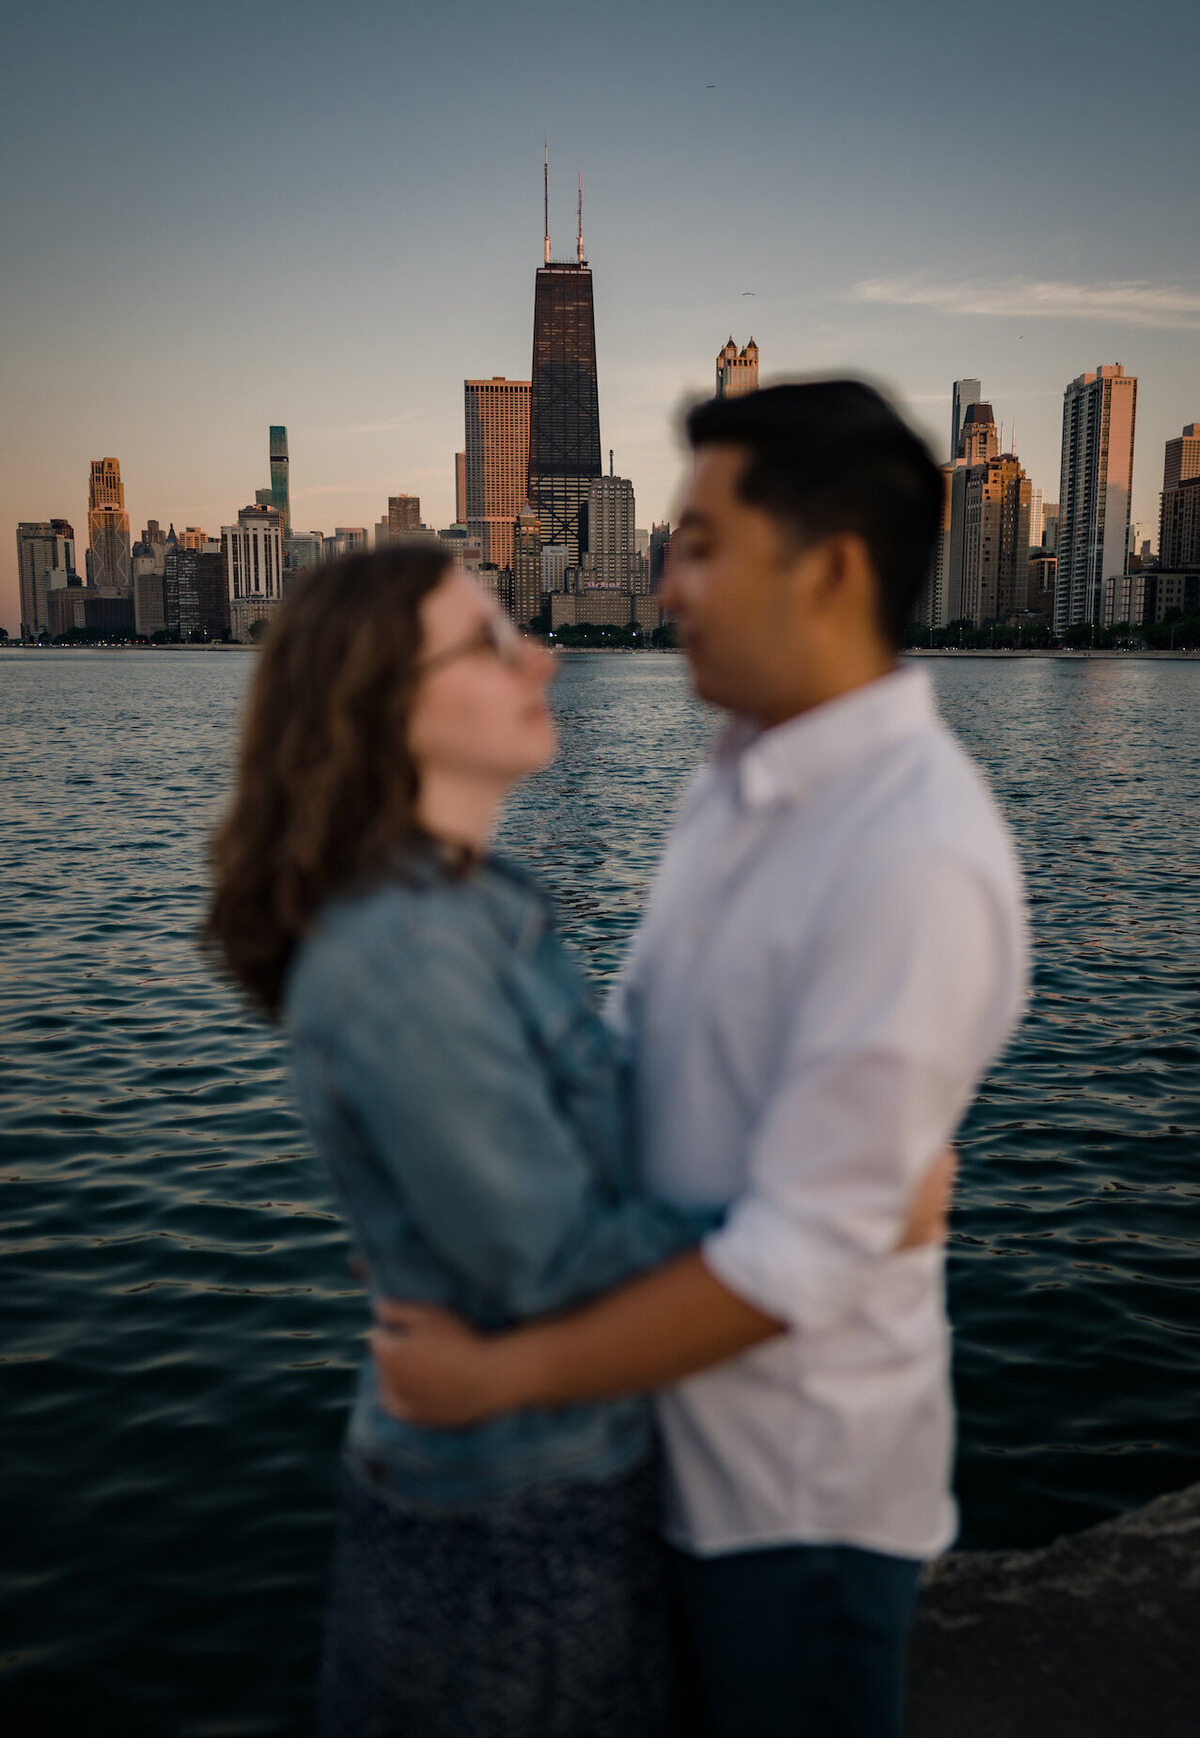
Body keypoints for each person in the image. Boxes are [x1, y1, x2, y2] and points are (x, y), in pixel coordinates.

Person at [370, 381, 1030, 1738]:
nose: (668, 587)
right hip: (658, 1448)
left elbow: (801, 1258)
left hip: (792, 1507)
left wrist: (504, 1379)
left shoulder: (914, 857)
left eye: (707, 547)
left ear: (835, 569)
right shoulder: (735, 778)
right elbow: (637, 1060)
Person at [205, 546, 718, 1738]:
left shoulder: (476, 906)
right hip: (511, 1534)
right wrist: (825, 1215)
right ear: (386, 702)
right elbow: (555, 1264)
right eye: (490, 640)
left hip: (564, 1477)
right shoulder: (405, 956)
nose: (540, 654)